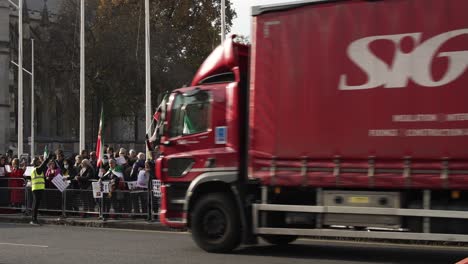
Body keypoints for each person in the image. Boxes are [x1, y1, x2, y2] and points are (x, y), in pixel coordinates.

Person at [30, 155, 52, 225]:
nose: (40, 163)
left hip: (38, 188)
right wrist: (47, 159)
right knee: (36, 204)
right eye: (38, 162)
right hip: (37, 188)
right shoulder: (37, 169)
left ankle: (34, 219)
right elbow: (43, 165)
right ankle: (34, 220)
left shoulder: (36, 170)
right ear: (36, 163)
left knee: (35, 204)